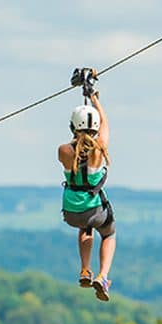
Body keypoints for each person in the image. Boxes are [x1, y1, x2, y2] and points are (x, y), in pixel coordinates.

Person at [58, 91, 116, 301]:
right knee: (109, 234)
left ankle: (85, 269)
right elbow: (106, 126)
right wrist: (95, 101)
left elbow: (75, 146)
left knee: (85, 226)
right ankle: (102, 276)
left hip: (72, 212)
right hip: (94, 210)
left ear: (73, 126)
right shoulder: (99, 151)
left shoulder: (64, 150)